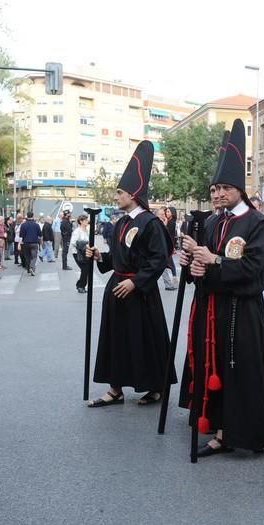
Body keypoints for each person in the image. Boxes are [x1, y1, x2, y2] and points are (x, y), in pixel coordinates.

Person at [178, 118, 264, 457]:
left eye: (224, 187)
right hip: (211, 311)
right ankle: (220, 429)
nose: (218, 193)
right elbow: (201, 269)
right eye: (214, 188)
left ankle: (255, 432)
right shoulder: (211, 221)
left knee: (243, 372)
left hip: (242, 312)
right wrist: (192, 265)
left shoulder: (257, 224)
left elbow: (255, 270)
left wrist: (215, 260)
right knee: (214, 368)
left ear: (239, 188)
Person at [86, 141, 175, 407]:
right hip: (117, 287)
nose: (116, 197)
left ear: (133, 194)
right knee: (115, 339)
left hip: (139, 293)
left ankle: (155, 387)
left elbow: (159, 259)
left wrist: (136, 283)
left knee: (142, 340)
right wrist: (101, 257)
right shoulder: (122, 222)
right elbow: (120, 257)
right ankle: (115, 389)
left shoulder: (151, 223)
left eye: (120, 192)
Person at [72, 214, 91, 293]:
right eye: (85, 220)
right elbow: (73, 242)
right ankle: (80, 286)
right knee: (85, 269)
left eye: (87, 220)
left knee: (86, 269)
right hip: (77, 253)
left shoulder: (86, 230)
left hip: (85, 252)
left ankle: (80, 285)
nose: (87, 221)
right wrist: (83, 245)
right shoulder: (77, 231)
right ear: (81, 221)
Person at [19, 210, 42, 276]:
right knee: (34, 256)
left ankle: (28, 269)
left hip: (25, 243)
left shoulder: (23, 225)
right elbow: (40, 234)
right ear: (33, 216)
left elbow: (21, 236)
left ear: (27, 216)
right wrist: (40, 242)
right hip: (34, 242)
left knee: (27, 256)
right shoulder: (36, 225)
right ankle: (32, 267)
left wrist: (19, 244)